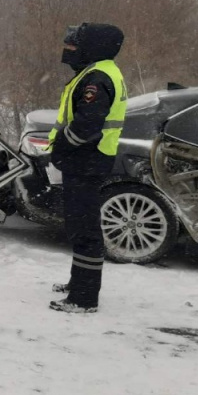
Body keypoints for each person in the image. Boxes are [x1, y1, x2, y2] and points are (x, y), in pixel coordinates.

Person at [47, 22, 127, 314]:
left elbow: (86, 125)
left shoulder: (97, 77)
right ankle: (78, 282)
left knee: (85, 230)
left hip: (86, 161)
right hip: (88, 161)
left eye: (76, 44)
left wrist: (63, 147)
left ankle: (84, 297)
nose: (69, 50)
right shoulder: (101, 72)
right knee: (79, 225)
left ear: (94, 46)